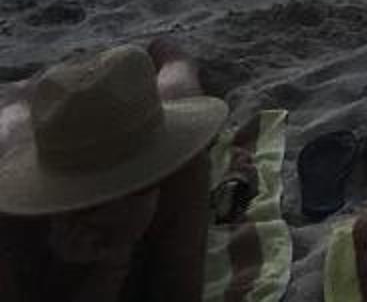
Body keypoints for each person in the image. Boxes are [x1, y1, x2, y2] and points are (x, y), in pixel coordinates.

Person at [0, 41, 220, 302]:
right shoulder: (14, 214)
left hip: (136, 128)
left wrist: (114, 255)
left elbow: (180, 292)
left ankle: (166, 50)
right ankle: (29, 89)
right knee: (13, 118)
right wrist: (102, 271)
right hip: (34, 142)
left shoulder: (181, 170)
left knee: (177, 87)